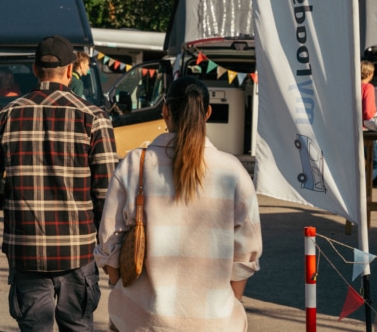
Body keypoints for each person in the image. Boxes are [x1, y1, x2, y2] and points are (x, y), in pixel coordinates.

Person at [0, 35, 119, 331]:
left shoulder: (4, 118)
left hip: (26, 253)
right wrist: (111, 252)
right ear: (69, 71)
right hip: (77, 253)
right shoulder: (94, 120)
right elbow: (107, 195)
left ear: (35, 70)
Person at [95, 76, 262, 331]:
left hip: (141, 319)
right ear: (207, 112)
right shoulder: (233, 172)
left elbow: (109, 241)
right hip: (214, 322)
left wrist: (122, 287)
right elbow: (246, 252)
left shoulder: (134, 165)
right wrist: (226, 302)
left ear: (165, 111)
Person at [359, 60, 377, 185]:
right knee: (375, 164)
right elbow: (368, 112)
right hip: (366, 130)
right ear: (369, 73)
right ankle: (362, 188)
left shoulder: (350, 86)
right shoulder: (368, 88)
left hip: (351, 129)